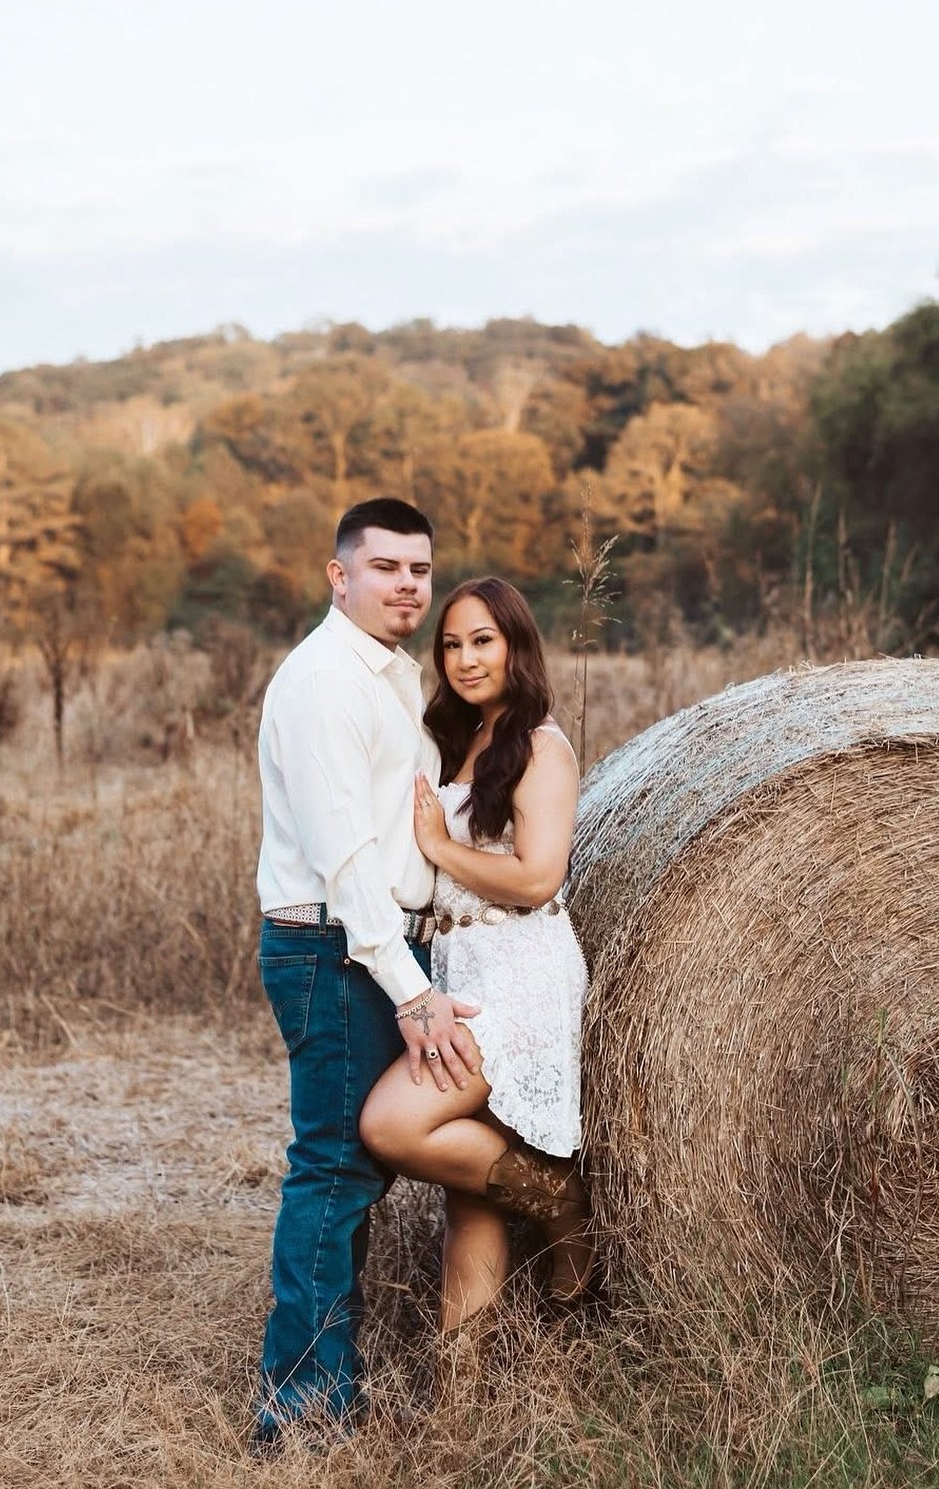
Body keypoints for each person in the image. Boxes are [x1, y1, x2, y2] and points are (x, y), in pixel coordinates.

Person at [251, 496, 483, 1453]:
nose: (408, 585)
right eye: (385, 567)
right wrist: (412, 985)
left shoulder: (390, 676)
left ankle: (324, 1375)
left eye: (419, 570)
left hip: (375, 943)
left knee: (354, 1166)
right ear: (338, 575)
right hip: (337, 946)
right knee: (336, 1167)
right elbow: (347, 857)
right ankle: (302, 1407)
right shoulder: (322, 684)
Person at [358, 575, 592, 1379]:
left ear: (517, 644)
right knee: (472, 1200)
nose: (464, 658)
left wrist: (439, 846)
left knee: (392, 1124)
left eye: (482, 640)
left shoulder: (541, 745)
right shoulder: (460, 739)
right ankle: (460, 1409)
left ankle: (563, 1201)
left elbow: (536, 878)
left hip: (523, 974)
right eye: (451, 644)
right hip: (463, 966)